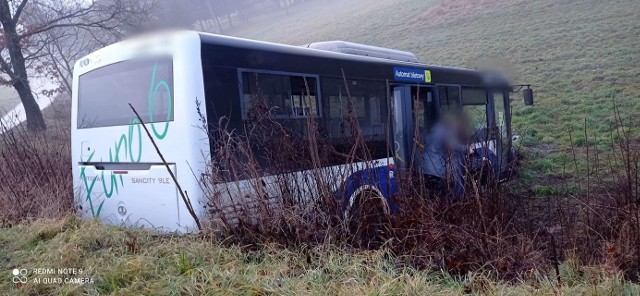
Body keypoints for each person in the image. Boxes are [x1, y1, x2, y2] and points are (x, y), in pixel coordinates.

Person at [420, 112, 474, 200]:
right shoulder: (441, 131)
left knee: (432, 197)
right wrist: (467, 149)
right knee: (440, 198)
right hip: (435, 171)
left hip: (426, 170)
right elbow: (451, 144)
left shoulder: (434, 130)